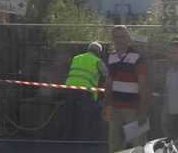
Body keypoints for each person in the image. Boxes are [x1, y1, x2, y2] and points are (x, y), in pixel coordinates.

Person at [104, 25, 150, 153]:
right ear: (113, 39)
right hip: (115, 109)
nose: (119, 40)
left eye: (122, 36)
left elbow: (143, 85)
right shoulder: (110, 57)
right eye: (116, 37)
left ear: (128, 38)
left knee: (138, 146)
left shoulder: (137, 57)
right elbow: (108, 83)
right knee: (114, 146)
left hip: (133, 109)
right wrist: (106, 105)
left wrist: (142, 111)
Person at [62, 41, 108, 140]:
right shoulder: (97, 61)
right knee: (84, 117)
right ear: (99, 52)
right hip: (85, 91)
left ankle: (66, 139)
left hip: (70, 89)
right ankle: (82, 140)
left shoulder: (76, 58)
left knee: (69, 115)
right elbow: (106, 74)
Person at [161, 38, 178, 139]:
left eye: (175, 52)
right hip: (170, 114)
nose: (172, 55)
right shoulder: (170, 70)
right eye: (170, 52)